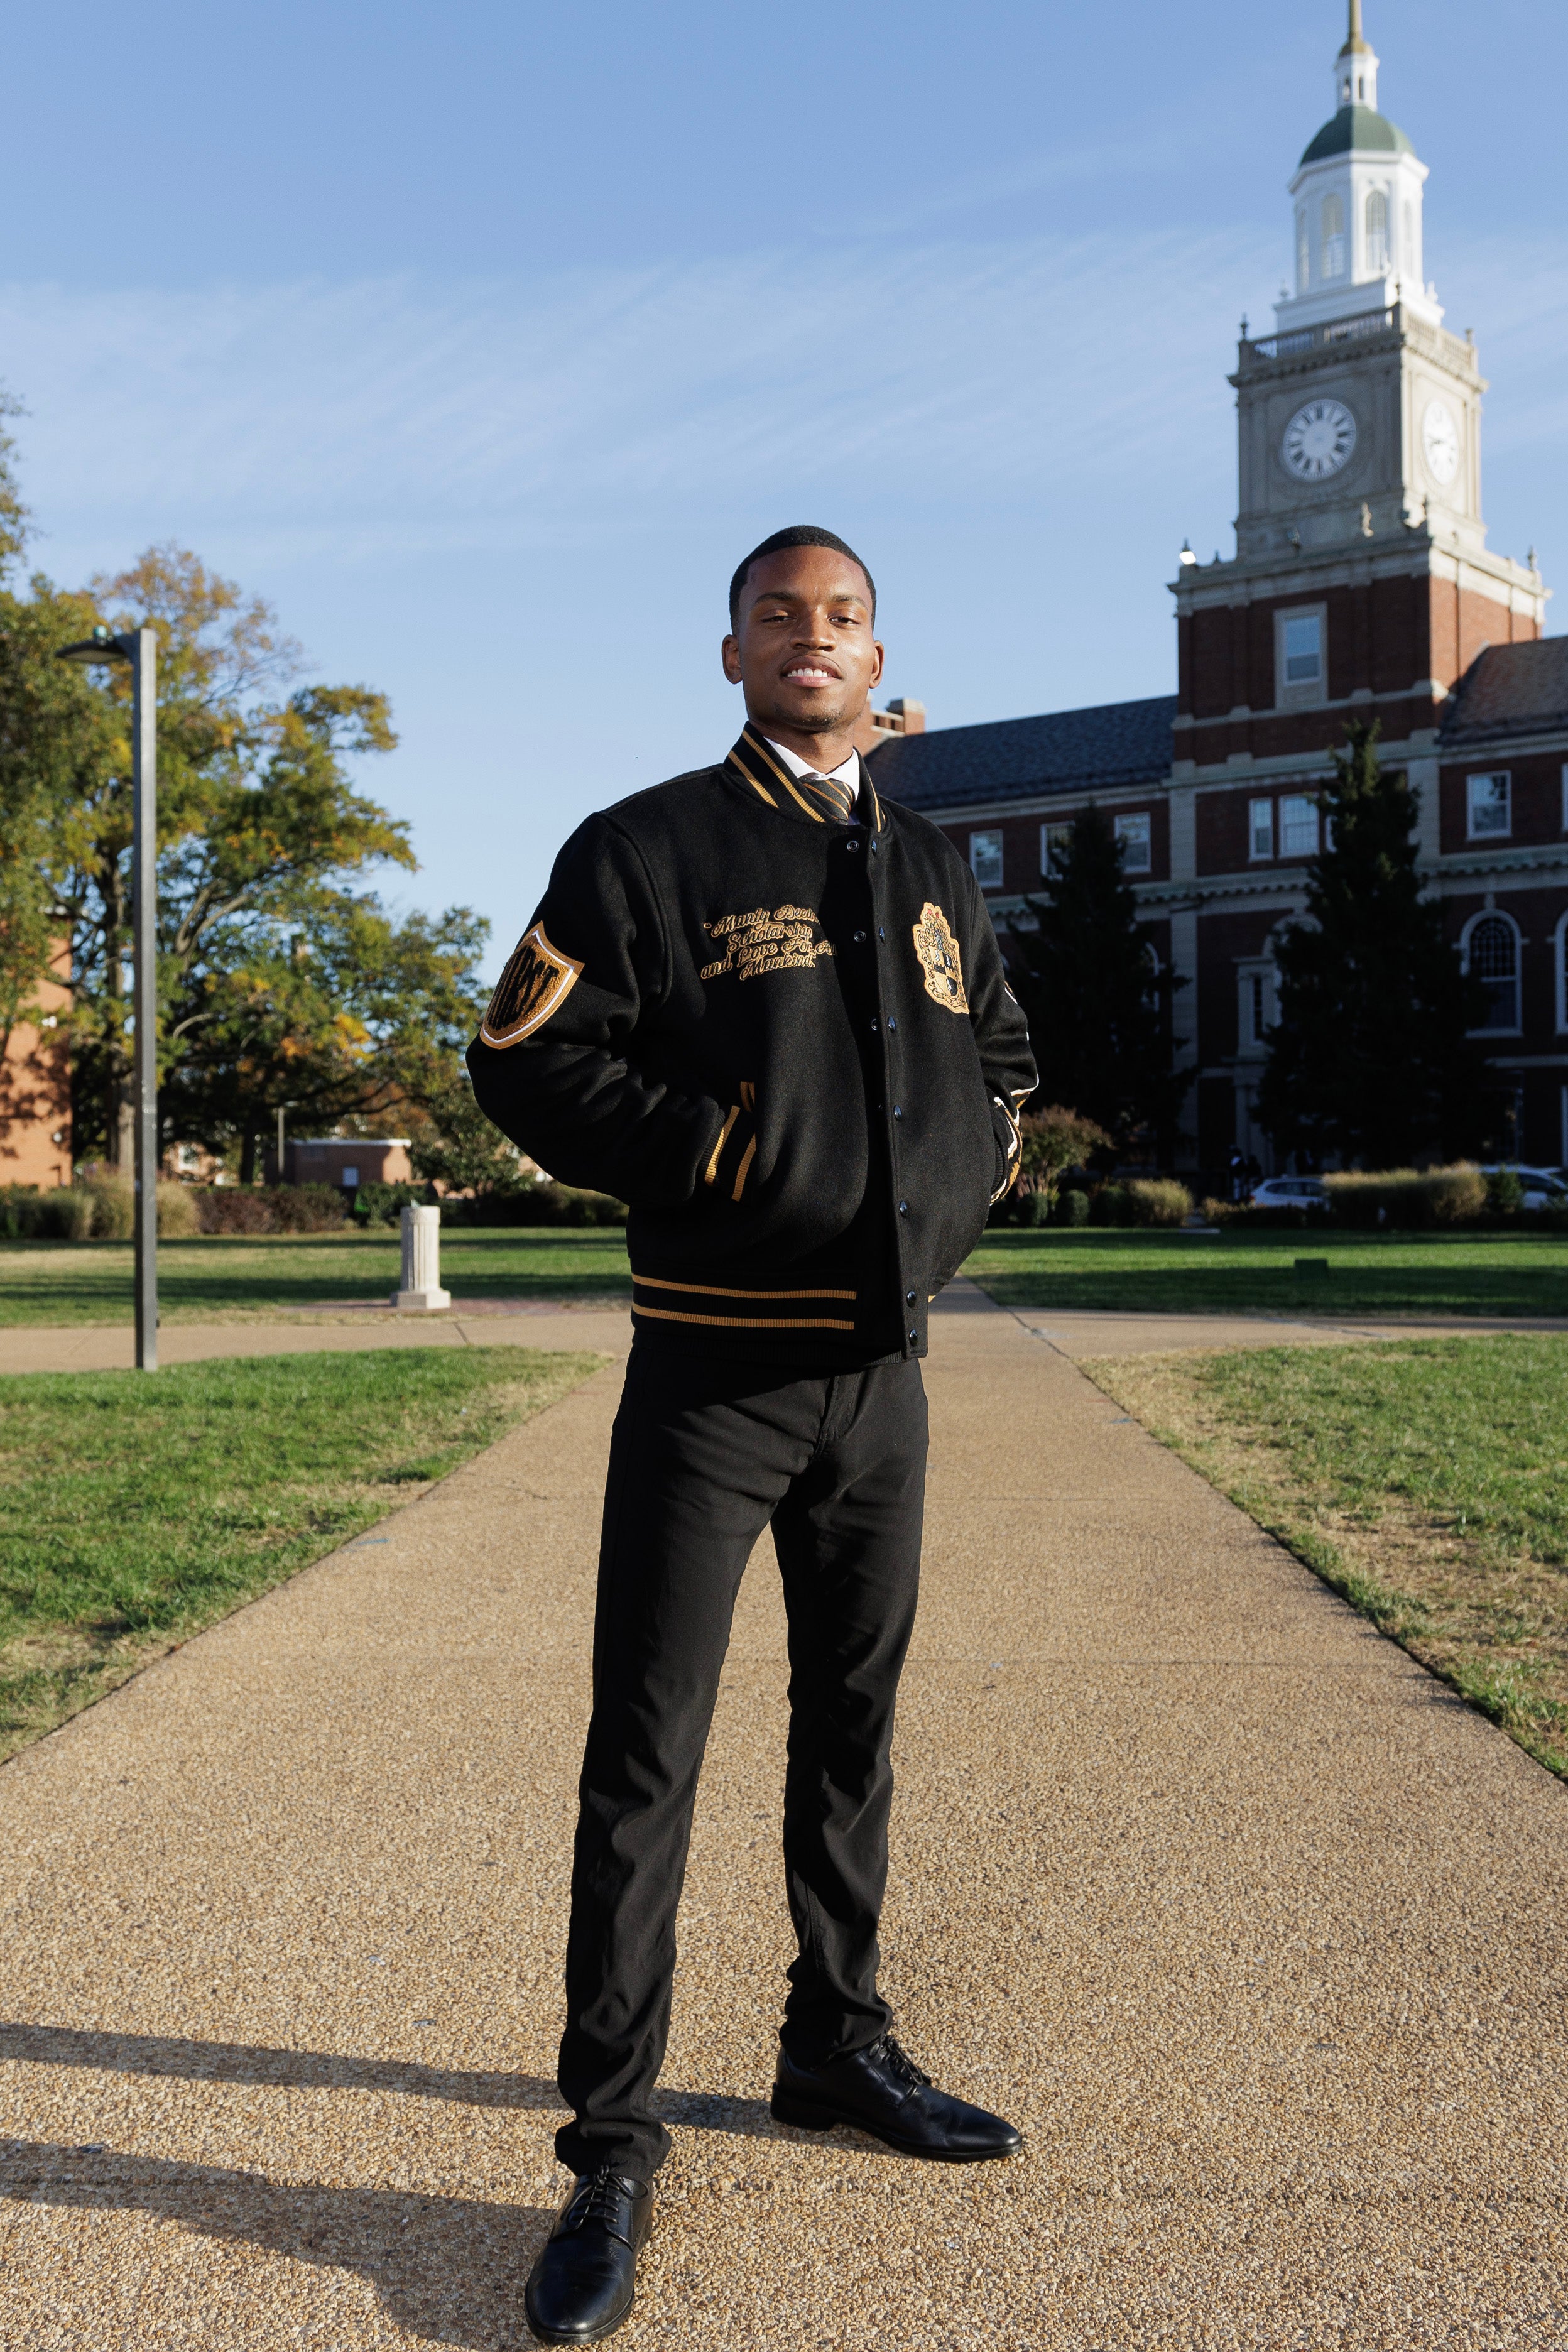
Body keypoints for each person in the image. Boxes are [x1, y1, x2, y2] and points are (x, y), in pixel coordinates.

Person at [469, 525, 1037, 2347]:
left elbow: (1005, 1052)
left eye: (845, 617)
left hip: (888, 1381)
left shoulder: (931, 855)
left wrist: (971, 1167)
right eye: (782, 617)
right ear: (731, 655)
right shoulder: (647, 846)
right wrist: (721, 1157)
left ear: (880, 654)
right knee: (648, 1762)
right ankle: (613, 2144)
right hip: (712, 1380)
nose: (816, 639)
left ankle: (836, 2044)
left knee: (853, 1730)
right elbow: (527, 1053)